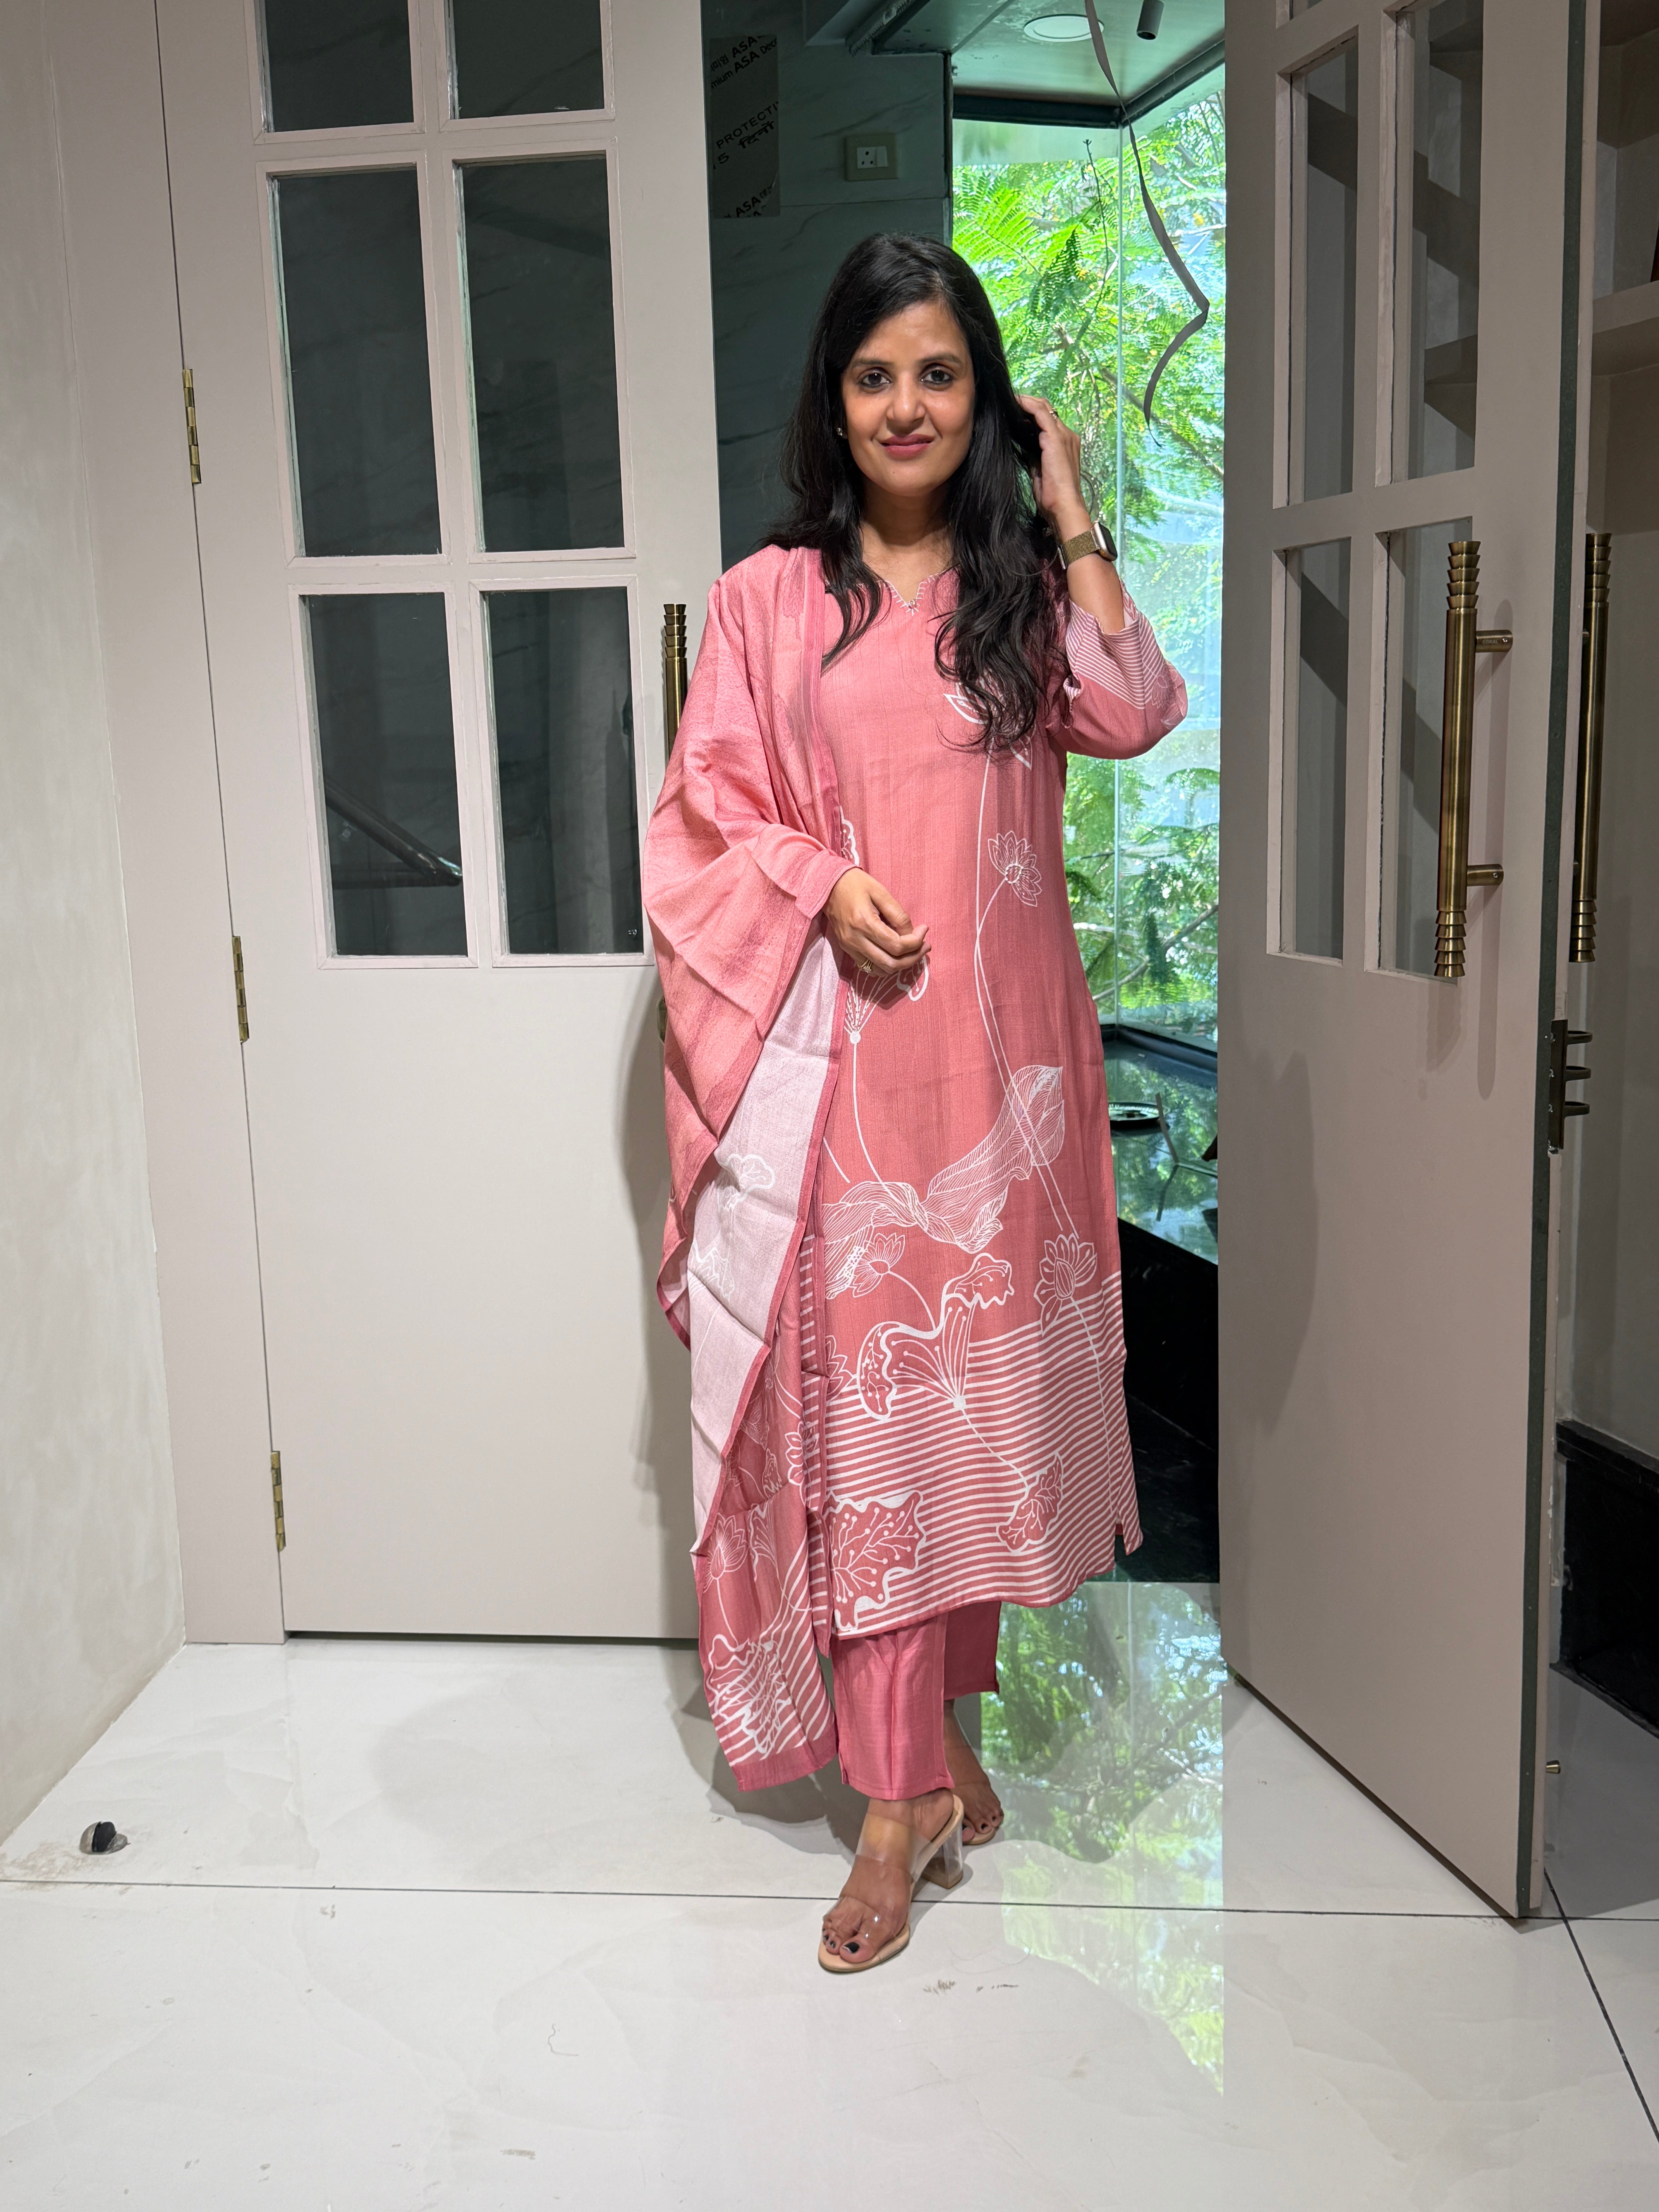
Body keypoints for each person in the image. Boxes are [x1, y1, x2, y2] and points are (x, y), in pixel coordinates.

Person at [643, 233, 1187, 1975]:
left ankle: (939, 1745)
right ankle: (895, 1803)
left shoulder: (1020, 596)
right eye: (874, 375)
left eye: (938, 374)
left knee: (970, 1418)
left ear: (982, 397)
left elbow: (1140, 709)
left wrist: (1071, 505)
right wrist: (818, 886)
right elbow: (704, 816)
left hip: (1008, 1078)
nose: (905, 406)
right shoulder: (767, 601)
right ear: (834, 395)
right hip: (850, 1079)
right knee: (882, 1423)